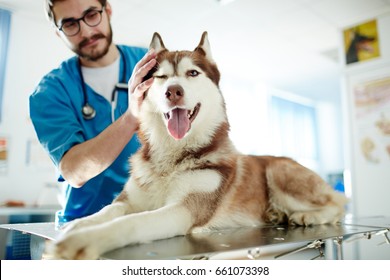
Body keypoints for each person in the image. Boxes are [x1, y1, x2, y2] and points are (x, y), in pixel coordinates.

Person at [29, 0, 156, 226]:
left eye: (91, 15)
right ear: (59, 33)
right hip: (84, 225)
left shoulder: (150, 65)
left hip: (149, 218)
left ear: (108, 10)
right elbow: (74, 172)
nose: (86, 31)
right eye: (69, 24)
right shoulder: (51, 91)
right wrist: (131, 118)